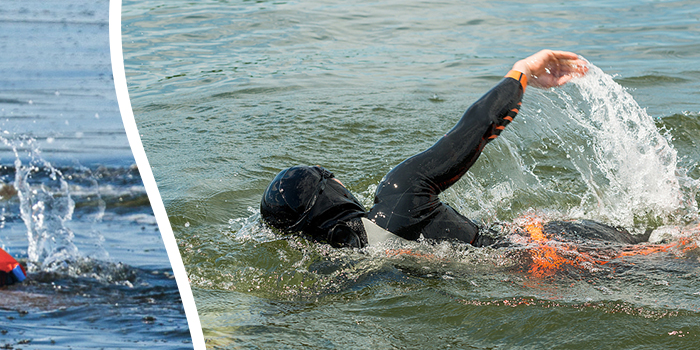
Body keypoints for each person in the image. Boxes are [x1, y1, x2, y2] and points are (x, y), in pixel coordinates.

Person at [260, 50, 644, 249]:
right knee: (682, 244)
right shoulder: (400, 195)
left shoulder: (335, 266)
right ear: (332, 190)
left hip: (530, 280)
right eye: (328, 176)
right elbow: (476, 126)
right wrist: (523, 70)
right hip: (553, 249)